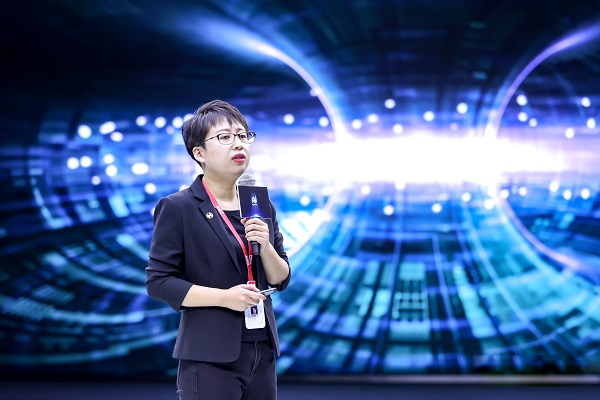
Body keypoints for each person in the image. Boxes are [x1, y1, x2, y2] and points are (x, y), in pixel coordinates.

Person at [145, 99, 291, 400]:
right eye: (225, 137)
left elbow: (281, 278)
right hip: (209, 355)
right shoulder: (178, 207)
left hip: (262, 349)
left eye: (243, 135)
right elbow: (159, 282)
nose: (238, 143)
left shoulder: (259, 203)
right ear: (199, 153)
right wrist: (224, 298)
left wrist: (265, 246)